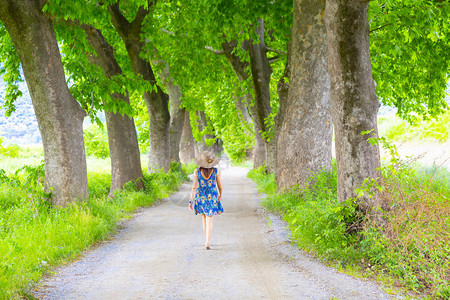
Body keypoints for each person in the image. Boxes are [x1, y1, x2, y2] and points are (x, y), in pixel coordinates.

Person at [189, 151, 223, 250]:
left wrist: (191, 201)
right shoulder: (215, 172)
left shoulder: (197, 172)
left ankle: (206, 240)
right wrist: (220, 194)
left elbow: (194, 187)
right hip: (212, 197)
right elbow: (220, 186)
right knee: (210, 219)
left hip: (201, 197)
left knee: (204, 219)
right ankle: (207, 242)